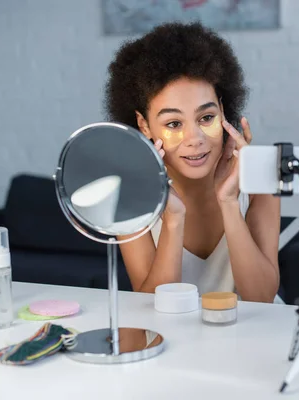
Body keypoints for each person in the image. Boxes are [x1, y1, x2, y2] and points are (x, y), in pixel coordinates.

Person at [104, 21, 281, 303]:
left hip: (253, 336)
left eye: (206, 117)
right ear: (144, 125)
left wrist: (229, 203)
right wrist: (173, 220)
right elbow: (151, 306)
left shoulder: (260, 179)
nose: (194, 138)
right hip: (176, 340)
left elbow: (261, 298)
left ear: (222, 110)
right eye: (174, 123)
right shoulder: (132, 199)